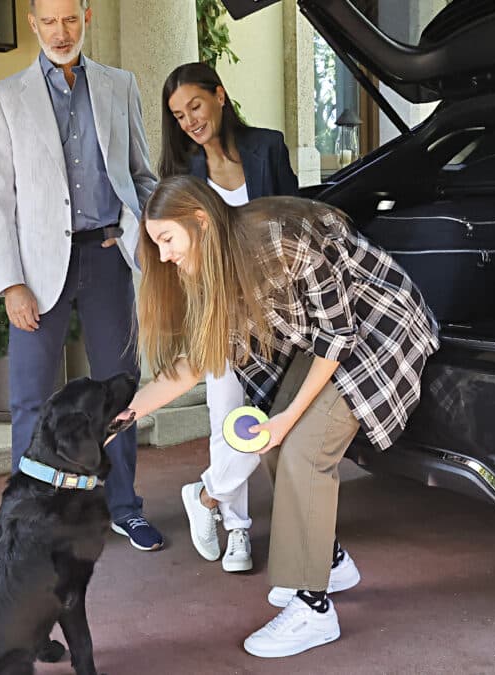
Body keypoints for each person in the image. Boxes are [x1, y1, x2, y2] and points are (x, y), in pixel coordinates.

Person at [117, 175, 439, 658]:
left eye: (166, 239)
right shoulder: (208, 267)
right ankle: (327, 561)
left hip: (378, 327)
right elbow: (196, 363)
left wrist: (290, 419)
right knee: (268, 437)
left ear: (200, 221)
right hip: (327, 342)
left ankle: (314, 610)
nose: (162, 256)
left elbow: (338, 334)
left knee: (305, 450)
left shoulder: (280, 240)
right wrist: (127, 413)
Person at [0, 0, 162, 551]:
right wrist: (10, 283)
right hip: (36, 272)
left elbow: (141, 174)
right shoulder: (3, 98)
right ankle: (28, 518)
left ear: (87, 19)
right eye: (49, 22)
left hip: (107, 257)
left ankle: (123, 506)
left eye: (71, 21)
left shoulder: (118, 85)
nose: (61, 33)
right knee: (31, 398)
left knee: (121, 391)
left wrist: (146, 239)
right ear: (33, 24)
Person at [158, 62, 299, 574]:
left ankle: (206, 495)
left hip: (277, 311)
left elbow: (295, 216)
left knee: (267, 420)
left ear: (219, 95)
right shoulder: (183, 176)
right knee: (227, 421)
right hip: (217, 310)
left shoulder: (268, 147)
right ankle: (238, 530)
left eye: (195, 105)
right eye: (178, 115)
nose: (190, 120)